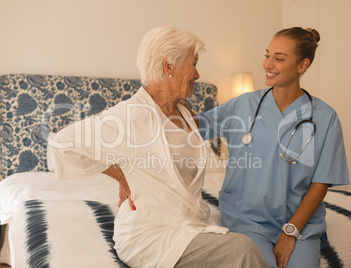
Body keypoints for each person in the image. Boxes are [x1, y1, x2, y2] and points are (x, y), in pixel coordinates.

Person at [53, 26, 267, 268]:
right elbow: (63, 143)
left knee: (241, 246)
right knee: (243, 248)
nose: (197, 74)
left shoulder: (184, 112)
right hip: (149, 234)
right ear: (169, 67)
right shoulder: (131, 115)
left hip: (189, 225)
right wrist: (120, 174)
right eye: (194, 63)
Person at [197, 27, 349, 268]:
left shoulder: (325, 117)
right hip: (248, 221)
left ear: (302, 65)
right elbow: (191, 127)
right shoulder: (244, 105)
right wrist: (168, 95)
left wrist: (291, 232)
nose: (268, 64)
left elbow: (321, 183)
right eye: (267, 55)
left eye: (279, 59)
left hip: (300, 226)